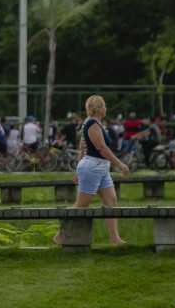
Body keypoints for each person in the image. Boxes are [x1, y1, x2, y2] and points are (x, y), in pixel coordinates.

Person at [53, 95, 128, 247]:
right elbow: (101, 147)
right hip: (93, 167)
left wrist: (79, 170)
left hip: (99, 168)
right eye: (104, 105)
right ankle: (59, 236)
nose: (106, 108)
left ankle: (115, 239)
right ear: (98, 107)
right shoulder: (92, 123)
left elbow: (83, 147)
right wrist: (120, 164)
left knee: (111, 201)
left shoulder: (94, 122)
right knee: (81, 205)